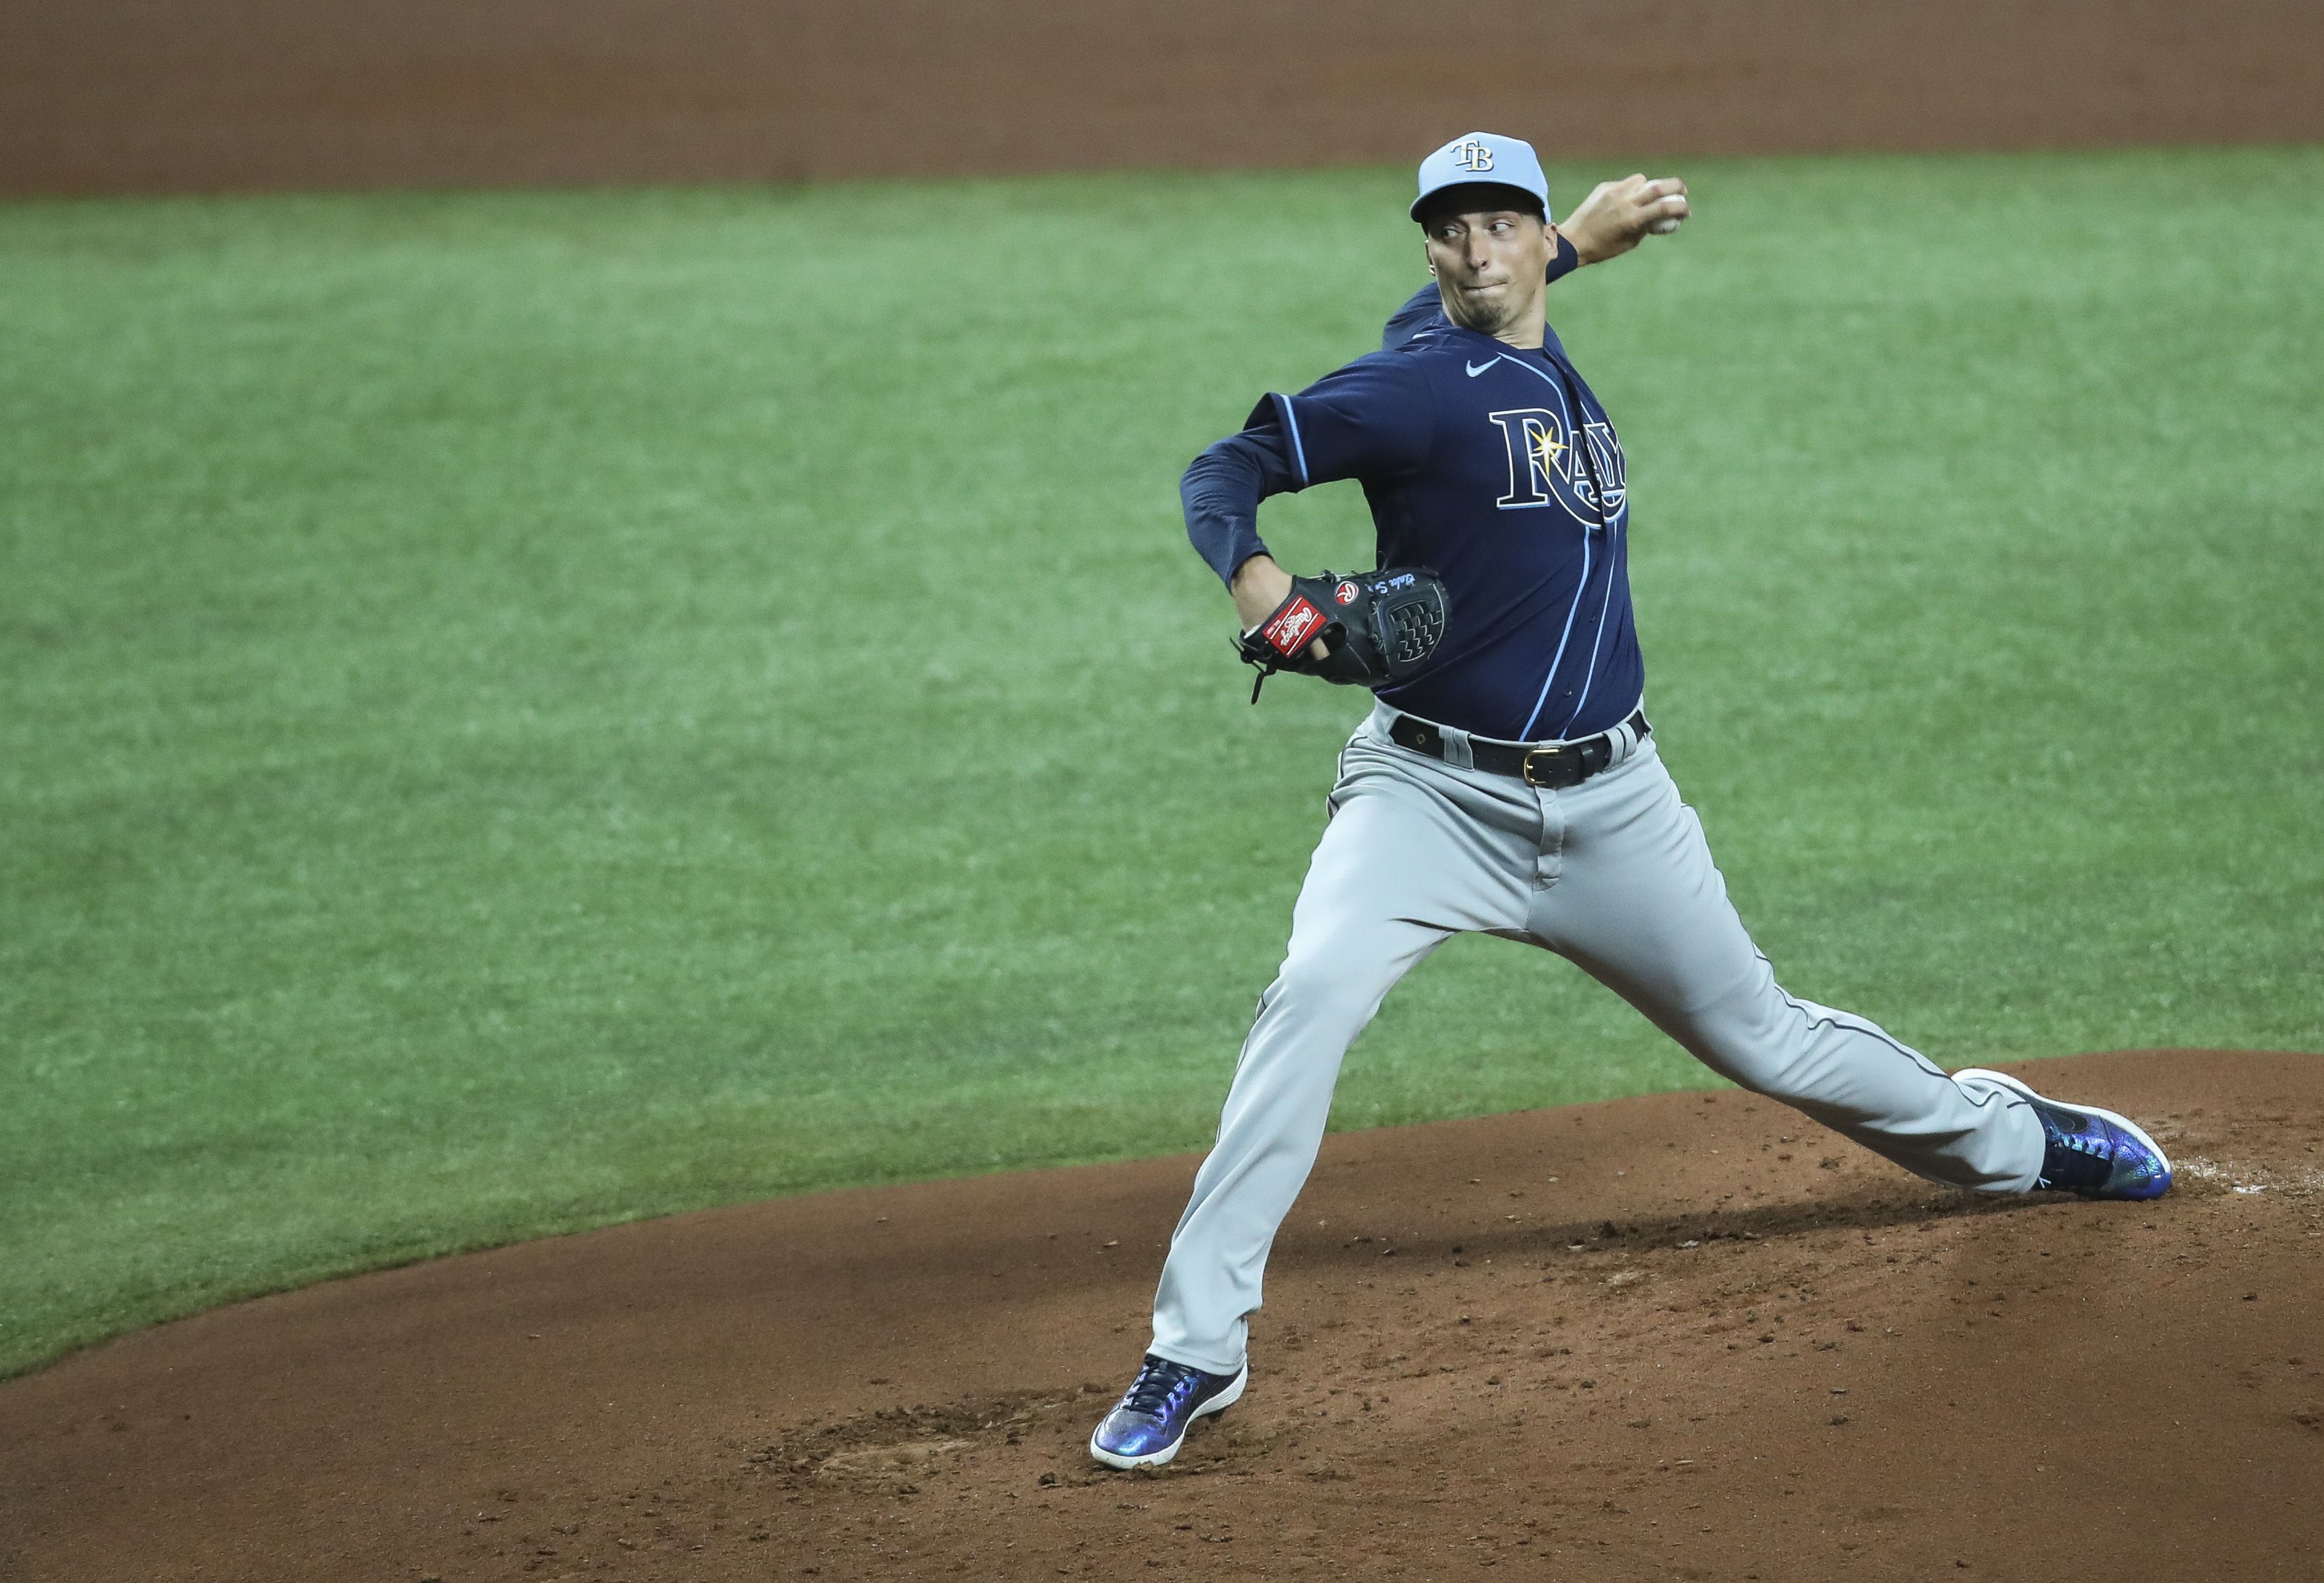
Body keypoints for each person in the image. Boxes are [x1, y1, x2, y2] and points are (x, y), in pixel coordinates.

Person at [1088, 132, 2172, 1472]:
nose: (1476, 249)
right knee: (1306, 999)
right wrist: (1261, 588)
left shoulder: (1530, 323)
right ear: (1424, 248)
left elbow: (1526, 286)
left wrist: (1578, 247)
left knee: (1765, 1038)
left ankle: (2016, 1145)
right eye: (1450, 230)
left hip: (1615, 810)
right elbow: (1223, 467)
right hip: (1425, 798)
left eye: (1502, 224)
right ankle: (1191, 1353)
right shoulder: (1409, 384)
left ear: (1534, 232)